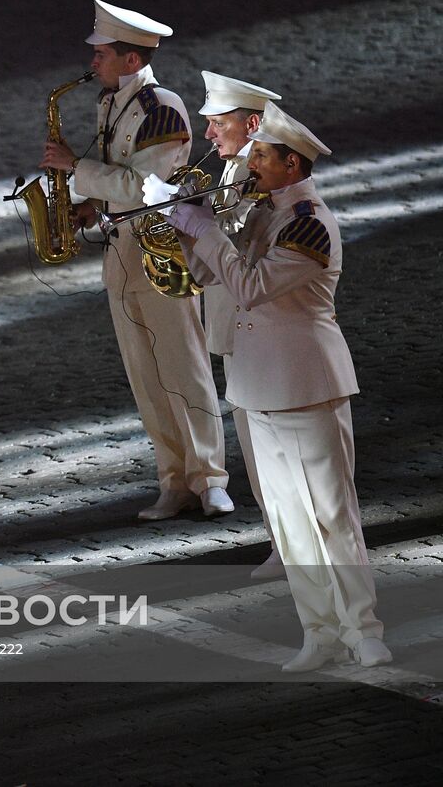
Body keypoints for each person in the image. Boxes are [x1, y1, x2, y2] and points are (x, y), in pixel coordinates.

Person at [163, 101, 389, 672]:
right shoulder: (260, 211)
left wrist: (208, 230)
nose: (250, 162)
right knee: (289, 520)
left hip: (306, 381)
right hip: (256, 384)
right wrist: (187, 233)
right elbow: (211, 275)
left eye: (261, 155)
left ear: (292, 163)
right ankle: (319, 631)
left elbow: (250, 285)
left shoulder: (309, 223)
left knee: (334, 513)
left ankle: (364, 629)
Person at [40, 0, 231, 521]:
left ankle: (210, 478)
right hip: (121, 253)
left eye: (102, 53)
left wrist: (76, 167)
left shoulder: (161, 109)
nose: (93, 62)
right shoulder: (109, 104)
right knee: (144, 375)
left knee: (184, 369)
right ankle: (174, 480)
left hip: (161, 254)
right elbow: (116, 182)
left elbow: (150, 189)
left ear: (130, 60)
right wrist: (89, 207)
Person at [197, 71, 285, 577]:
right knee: (255, 449)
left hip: (259, 330)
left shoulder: (259, 176)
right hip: (235, 327)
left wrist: (200, 225)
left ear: (251, 123)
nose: (208, 134)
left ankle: (294, 547)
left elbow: (238, 248)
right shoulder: (233, 171)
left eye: (217, 123)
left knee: (270, 447)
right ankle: (282, 541)